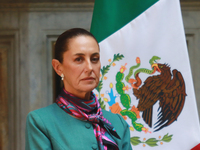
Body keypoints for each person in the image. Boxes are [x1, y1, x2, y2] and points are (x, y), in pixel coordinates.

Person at [25, 28, 132, 150]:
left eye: (94, 59)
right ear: (58, 67)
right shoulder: (41, 122)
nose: (90, 67)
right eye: (79, 59)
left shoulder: (117, 122)